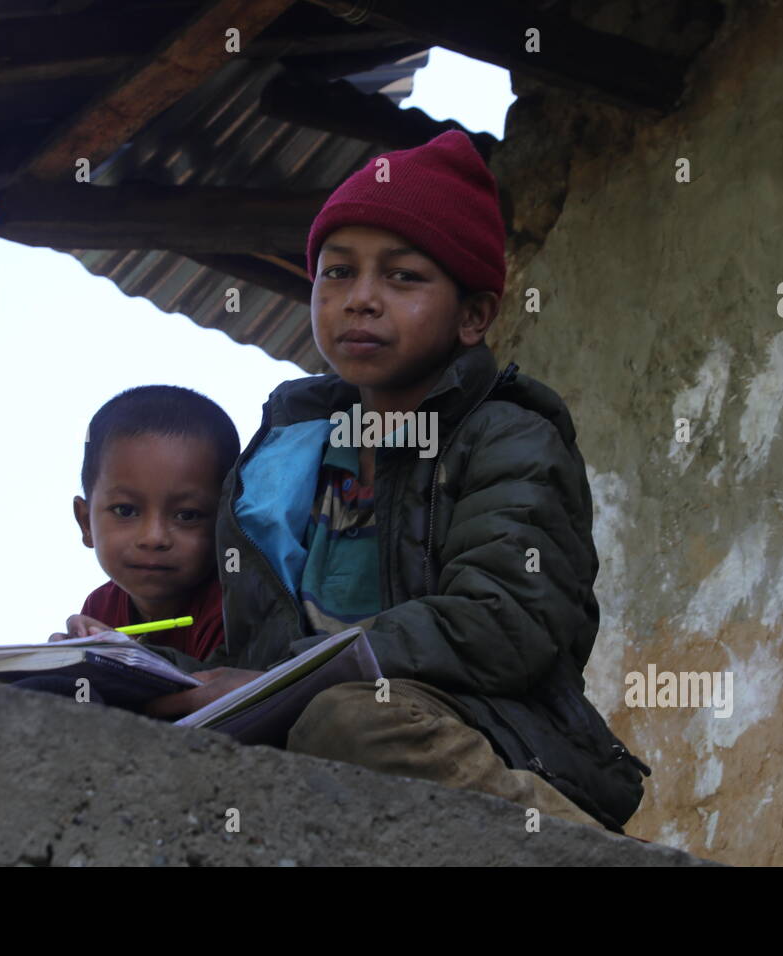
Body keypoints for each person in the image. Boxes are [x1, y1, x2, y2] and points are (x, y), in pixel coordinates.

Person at [141, 130, 650, 833]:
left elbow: (505, 619)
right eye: (338, 273)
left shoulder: (505, 435)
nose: (362, 299)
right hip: (298, 722)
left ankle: (579, 846)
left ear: (473, 316)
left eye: (403, 277)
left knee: (349, 721)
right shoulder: (289, 453)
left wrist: (290, 681)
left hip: (481, 734)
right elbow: (248, 657)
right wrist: (138, 669)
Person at [53, 385, 238, 661]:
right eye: (125, 510)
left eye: (187, 515)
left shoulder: (231, 606)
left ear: (226, 523)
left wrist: (123, 659)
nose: (154, 537)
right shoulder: (100, 607)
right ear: (85, 522)